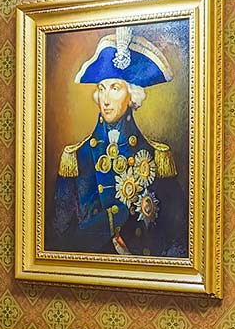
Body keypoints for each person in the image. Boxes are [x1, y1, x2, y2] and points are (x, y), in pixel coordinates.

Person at [51, 27, 182, 257]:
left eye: (115, 88)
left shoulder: (157, 157)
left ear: (132, 95)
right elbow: (58, 238)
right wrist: (111, 221)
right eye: (102, 89)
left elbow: (177, 236)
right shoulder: (75, 158)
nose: (106, 99)